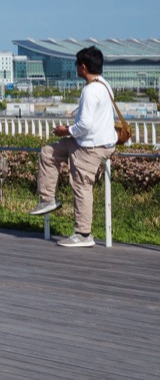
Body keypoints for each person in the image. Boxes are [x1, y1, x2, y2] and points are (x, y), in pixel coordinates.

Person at [30, 45, 120, 247]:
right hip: (88, 141)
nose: (76, 68)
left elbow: (86, 125)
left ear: (84, 67)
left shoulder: (90, 90)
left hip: (91, 146)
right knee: (48, 153)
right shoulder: (105, 85)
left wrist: (66, 130)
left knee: (81, 186)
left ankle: (83, 233)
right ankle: (47, 199)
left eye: (77, 64)